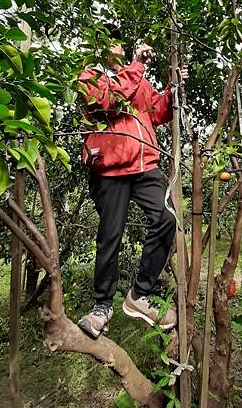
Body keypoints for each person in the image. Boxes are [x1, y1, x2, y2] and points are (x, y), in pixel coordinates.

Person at [77, 23, 187, 339]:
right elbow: (106, 101)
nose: (120, 50)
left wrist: (172, 88)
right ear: (99, 47)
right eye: (112, 44)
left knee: (167, 219)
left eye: (121, 45)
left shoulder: (135, 78)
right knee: (110, 236)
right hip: (110, 170)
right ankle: (101, 307)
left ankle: (140, 294)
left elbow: (157, 112)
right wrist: (137, 66)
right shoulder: (89, 78)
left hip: (144, 164)